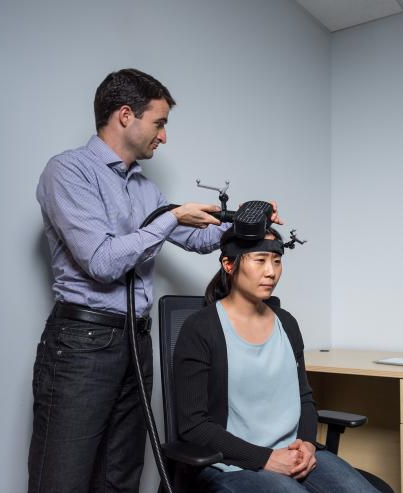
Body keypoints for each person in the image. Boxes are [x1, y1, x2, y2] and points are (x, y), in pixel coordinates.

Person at [29, 68, 281, 493]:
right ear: (125, 115)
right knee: (64, 476)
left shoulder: (145, 190)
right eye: (159, 123)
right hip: (83, 342)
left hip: (135, 342)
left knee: (120, 474)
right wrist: (170, 218)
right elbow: (102, 262)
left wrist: (246, 222)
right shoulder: (68, 172)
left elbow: (200, 239)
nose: (163, 137)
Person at [173, 228, 379, 493]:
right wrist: (266, 458)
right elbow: (194, 426)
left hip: (294, 453)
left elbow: (304, 398)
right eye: (260, 260)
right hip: (232, 464)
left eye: (277, 261)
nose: (271, 271)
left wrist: (306, 444)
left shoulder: (287, 323)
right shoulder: (200, 328)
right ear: (228, 264)